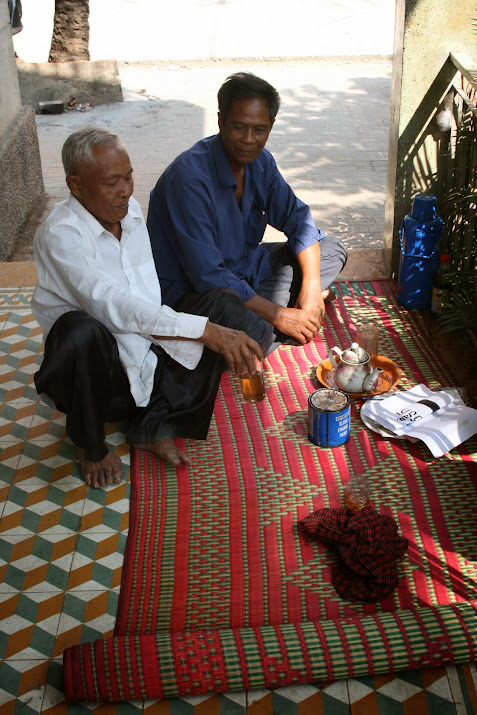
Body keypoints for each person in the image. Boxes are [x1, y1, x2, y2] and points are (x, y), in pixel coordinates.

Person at [32, 125, 262, 489]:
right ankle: (91, 445)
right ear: (76, 186)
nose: (125, 190)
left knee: (223, 307)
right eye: (111, 182)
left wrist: (207, 325)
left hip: (147, 363)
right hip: (96, 382)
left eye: (128, 177)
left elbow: (145, 299)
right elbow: (111, 305)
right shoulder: (61, 234)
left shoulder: (131, 211)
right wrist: (203, 331)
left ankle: (153, 422)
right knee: (80, 331)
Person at [147, 72, 347, 356]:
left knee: (330, 249)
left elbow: (300, 223)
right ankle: (269, 329)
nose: (248, 140)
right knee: (232, 313)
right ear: (220, 121)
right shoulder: (188, 178)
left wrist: (312, 290)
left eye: (259, 129)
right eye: (239, 127)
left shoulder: (261, 163)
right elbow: (208, 276)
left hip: (246, 276)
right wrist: (280, 315)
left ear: (271, 126)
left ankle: (278, 320)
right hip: (196, 297)